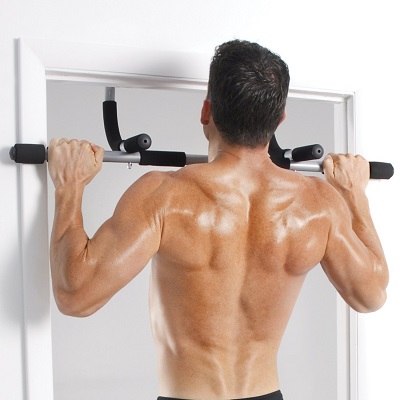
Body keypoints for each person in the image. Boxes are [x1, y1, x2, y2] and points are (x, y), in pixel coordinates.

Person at [48, 40, 389, 400]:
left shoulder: (164, 197)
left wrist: (69, 187)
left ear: (206, 111)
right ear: (278, 119)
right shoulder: (317, 204)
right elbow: (372, 294)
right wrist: (354, 195)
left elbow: (75, 295)